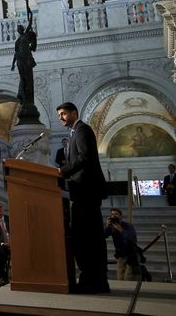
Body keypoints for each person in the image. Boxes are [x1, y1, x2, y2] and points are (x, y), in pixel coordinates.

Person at [57, 101, 110, 294]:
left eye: (63, 114)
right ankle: (92, 279)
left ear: (73, 113)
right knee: (84, 238)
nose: (61, 118)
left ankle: (94, 281)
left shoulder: (81, 130)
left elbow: (84, 158)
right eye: (59, 115)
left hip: (87, 192)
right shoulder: (74, 133)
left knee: (89, 239)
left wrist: (62, 170)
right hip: (82, 193)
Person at [104, 208, 140, 281]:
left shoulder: (128, 226)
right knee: (120, 278)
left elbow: (132, 240)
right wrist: (107, 226)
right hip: (121, 255)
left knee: (128, 278)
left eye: (116, 214)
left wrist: (121, 230)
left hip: (131, 254)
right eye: (112, 214)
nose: (114, 216)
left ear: (121, 216)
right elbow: (103, 236)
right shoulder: (112, 227)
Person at [11, 10, 37, 107]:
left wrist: (30, 12)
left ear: (22, 29)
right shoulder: (17, 41)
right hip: (20, 59)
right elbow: (16, 53)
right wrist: (12, 64)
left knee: (28, 77)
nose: (19, 29)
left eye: (20, 28)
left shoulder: (26, 34)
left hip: (27, 59)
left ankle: (28, 95)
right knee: (23, 78)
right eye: (18, 29)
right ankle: (23, 95)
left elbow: (30, 23)